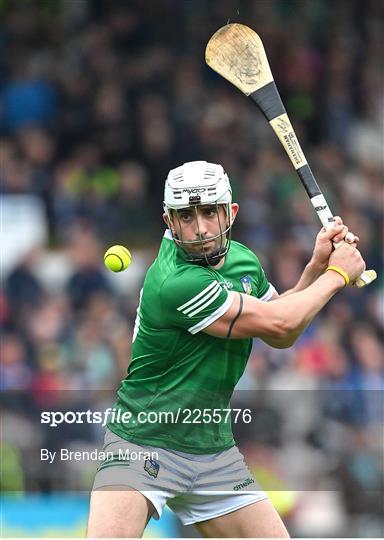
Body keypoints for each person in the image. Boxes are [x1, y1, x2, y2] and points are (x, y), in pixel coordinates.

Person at [87, 161, 365, 538]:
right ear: (168, 221)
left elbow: (279, 331)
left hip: (211, 448)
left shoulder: (242, 259)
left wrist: (316, 266)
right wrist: (337, 275)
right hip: (144, 443)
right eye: (185, 216)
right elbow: (278, 323)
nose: (199, 227)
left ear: (230, 212)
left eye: (209, 212)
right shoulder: (175, 282)